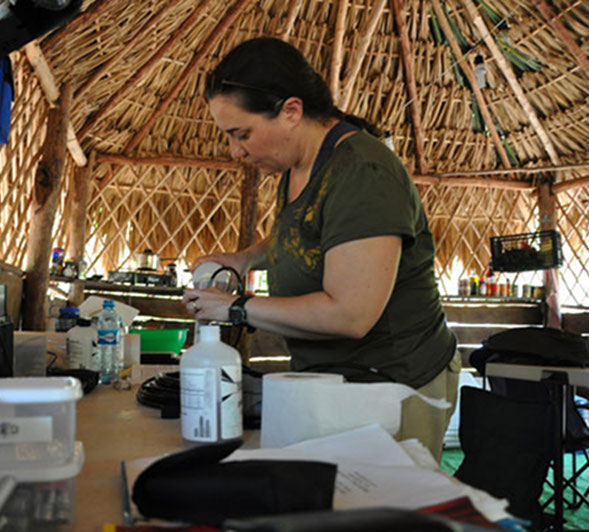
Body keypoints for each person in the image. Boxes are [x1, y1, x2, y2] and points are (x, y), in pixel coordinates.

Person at [182, 37, 460, 461]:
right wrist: (246, 259)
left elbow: (351, 314)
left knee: (382, 511)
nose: (236, 151)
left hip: (392, 384)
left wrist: (235, 308)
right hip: (333, 381)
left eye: (242, 134)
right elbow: (307, 233)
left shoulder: (362, 171)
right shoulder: (297, 164)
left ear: (291, 111)